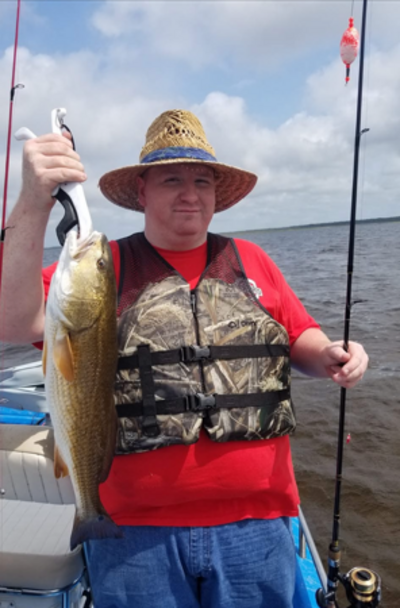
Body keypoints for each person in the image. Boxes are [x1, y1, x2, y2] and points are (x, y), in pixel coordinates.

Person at [0, 109, 368, 608]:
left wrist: (329, 354)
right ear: (142, 192)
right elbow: (13, 322)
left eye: (201, 180)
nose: (189, 193)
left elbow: (298, 334)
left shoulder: (253, 260)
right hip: (134, 535)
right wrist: (32, 201)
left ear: (216, 194)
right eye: (172, 179)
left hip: (257, 526)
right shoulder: (97, 269)